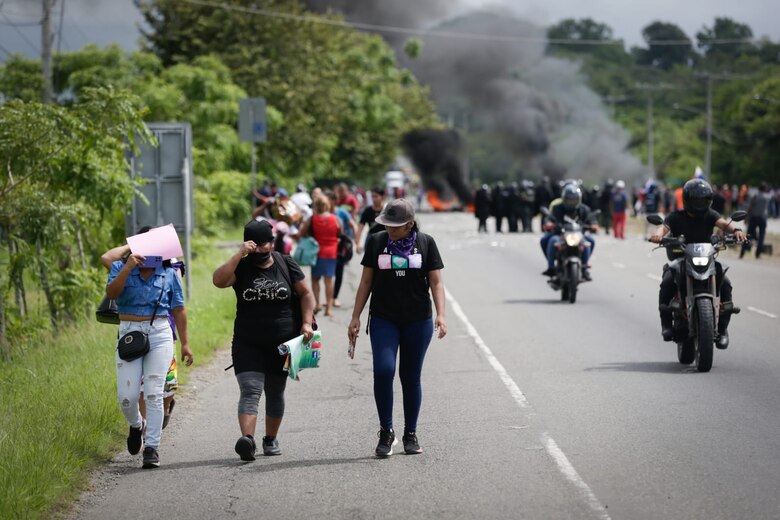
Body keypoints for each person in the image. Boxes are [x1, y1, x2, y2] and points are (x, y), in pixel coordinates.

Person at [347, 199, 447, 457]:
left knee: (410, 377)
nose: (390, 230)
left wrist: (441, 315)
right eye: (387, 225)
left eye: (396, 226)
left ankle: (410, 434)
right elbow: (366, 280)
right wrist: (355, 316)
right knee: (383, 370)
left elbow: (436, 282)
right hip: (384, 318)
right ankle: (386, 431)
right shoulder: (376, 242)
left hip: (418, 320)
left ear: (410, 225)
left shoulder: (426, 243)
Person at [212, 220, 315, 461]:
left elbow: (306, 293)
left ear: (272, 243)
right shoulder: (241, 266)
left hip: (283, 343)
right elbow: (218, 281)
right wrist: (239, 254)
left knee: (275, 392)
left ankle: (270, 439)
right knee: (250, 390)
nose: (259, 250)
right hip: (248, 342)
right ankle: (247, 441)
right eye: (253, 246)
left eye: (263, 244)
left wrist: (307, 323)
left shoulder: (285, 262)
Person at [105, 233, 193, 469]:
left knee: (154, 392)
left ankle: (152, 447)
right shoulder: (119, 267)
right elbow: (112, 293)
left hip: (160, 333)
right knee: (127, 396)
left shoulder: (169, 273)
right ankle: (136, 424)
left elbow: (179, 310)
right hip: (129, 332)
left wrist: (185, 343)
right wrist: (128, 266)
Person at [650, 179, 747, 348]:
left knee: (726, 283)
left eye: (703, 200)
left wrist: (737, 231)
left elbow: (724, 224)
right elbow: (663, 227)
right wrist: (658, 235)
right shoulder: (676, 216)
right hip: (682, 257)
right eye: (696, 200)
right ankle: (666, 324)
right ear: (688, 200)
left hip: (706, 257)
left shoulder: (710, 214)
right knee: (667, 281)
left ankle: (723, 329)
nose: (699, 203)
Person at [100, 242, 183, 430]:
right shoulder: (126, 266)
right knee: (138, 388)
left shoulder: (170, 266)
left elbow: (178, 301)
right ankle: (141, 426)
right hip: (133, 333)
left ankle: (159, 421)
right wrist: (131, 246)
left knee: (162, 387)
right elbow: (107, 257)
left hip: (163, 330)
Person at [541, 184, 597, 281]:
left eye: (574, 200)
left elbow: (591, 220)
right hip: (560, 235)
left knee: (589, 241)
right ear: (564, 199)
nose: (572, 202)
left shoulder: (584, 209)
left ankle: (584, 267)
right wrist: (549, 224)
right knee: (550, 240)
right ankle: (551, 267)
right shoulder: (557, 208)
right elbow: (549, 218)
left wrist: (593, 225)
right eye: (569, 200)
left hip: (578, 236)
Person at [298, 195, 341, 316]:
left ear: (316, 206)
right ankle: (328, 308)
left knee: (315, 279)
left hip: (316, 252)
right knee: (329, 281)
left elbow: (302, 232)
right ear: (327, 205)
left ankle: (317, 303)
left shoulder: (312, 219)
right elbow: (340, 231)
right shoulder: (334, 218)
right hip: (331, 252)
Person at [327, 190, 358, 308]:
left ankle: (334, 297)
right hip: (326, 246)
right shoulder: (322, 213)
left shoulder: (342, 212)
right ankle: (329, 297)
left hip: (340, 246)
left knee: (338, 271)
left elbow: (353, 225)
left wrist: (355, 240)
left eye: (328, 201)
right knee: (327, 273)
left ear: (334, 201)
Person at [741, 182, 771, 259]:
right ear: (765, 189)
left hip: (754, 217)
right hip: (762, 218)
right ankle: (758, 254)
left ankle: (742, 252)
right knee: (761, 237)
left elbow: (750, 207)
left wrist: (746, 217)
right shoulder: (767, 196)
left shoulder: (755, 196)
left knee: (748, 236)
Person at [355, 187, 386, 253]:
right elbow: (360, 227)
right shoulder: (367, 211)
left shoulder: (387, 210)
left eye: (376, 196)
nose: (374, 199)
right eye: (372, 196)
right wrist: (358, 243)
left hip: (385, 240)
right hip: (371, 240)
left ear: (382, 197)